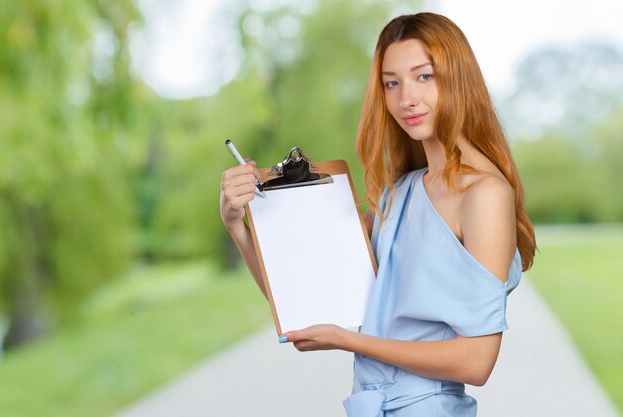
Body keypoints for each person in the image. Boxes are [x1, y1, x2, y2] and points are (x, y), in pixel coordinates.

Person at [220, 12, 536, 417]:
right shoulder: (398, 194)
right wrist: (237, 223)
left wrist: (349, 341)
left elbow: (477, 361)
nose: (406, 98)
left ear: (458, 77)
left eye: (424, 76)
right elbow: (302, 301)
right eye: (392, 82)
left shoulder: (485, 194)